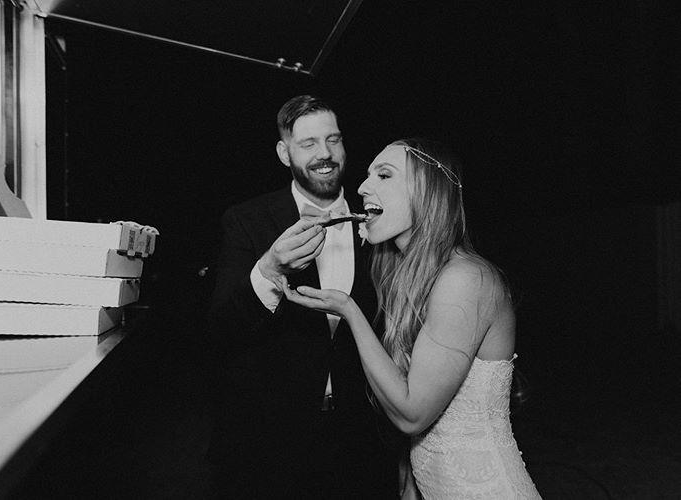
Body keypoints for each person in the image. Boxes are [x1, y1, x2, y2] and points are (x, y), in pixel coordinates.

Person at [282, 137, 542, 498]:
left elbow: (412, 414)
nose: (362, 187)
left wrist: (348, 311)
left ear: (427, 192)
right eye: (368, 175)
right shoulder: (408, 277)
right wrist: (408, 484)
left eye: (384, 175)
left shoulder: (466, 280)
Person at [206, 95, 398, 498]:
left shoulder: (382, 221)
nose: (324, 153)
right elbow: (221, 329)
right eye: (308, 143)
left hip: (362, 439)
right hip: (270, 441)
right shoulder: (247, 220)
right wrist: (270, 268)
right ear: (284, 152)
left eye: (333, 140)